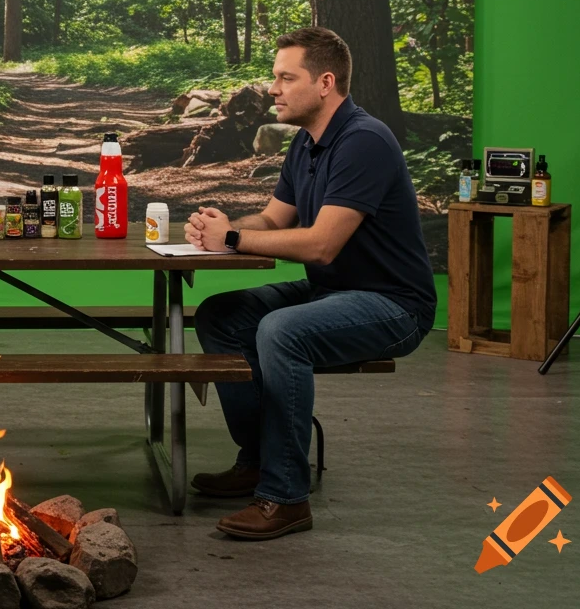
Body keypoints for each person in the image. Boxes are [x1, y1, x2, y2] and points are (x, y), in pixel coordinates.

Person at [185, 26, 436, 541]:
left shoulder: (364, 141)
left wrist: (232, 238)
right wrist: (221, 228)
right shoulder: (306, 143)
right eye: (274, 77)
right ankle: (258, 460)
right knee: (221, 315)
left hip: (394, 304)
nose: (272, 88)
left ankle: (286, 496)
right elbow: (271, 221)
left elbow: (322, 245)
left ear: (325, 83)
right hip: (333, 292)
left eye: (285, 78)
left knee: (282, 331)